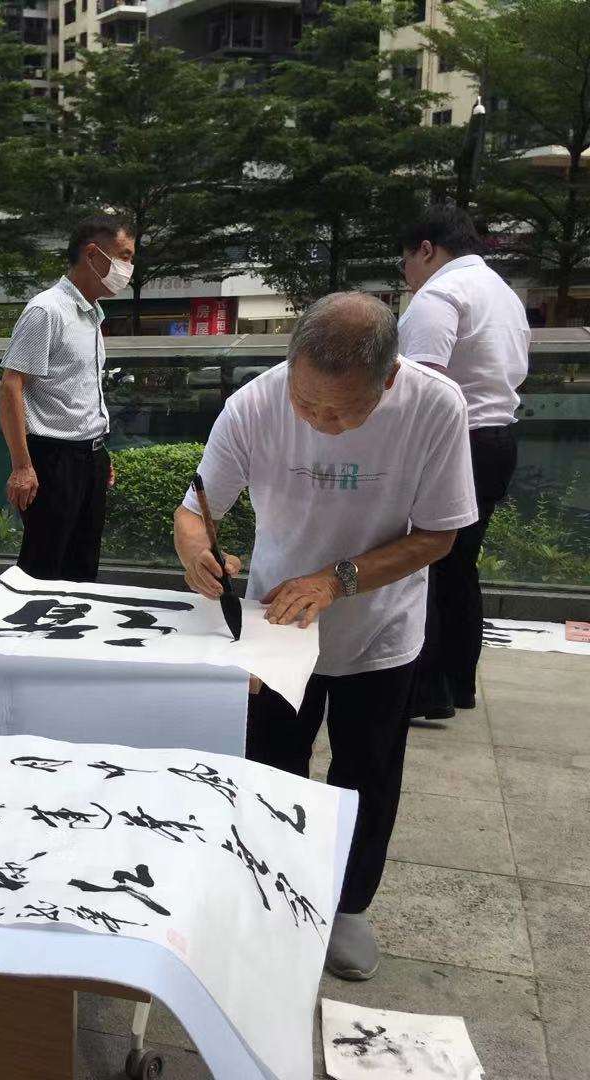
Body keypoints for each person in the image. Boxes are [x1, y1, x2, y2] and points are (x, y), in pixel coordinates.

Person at [174, 293, 476, 981]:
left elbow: (439, 535)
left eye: (342, 412)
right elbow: (195, 511)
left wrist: (337, 580)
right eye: (307, 403)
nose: (321, 423)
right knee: (270, 765)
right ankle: (268, 891)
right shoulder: (255, 404)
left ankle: (346, 905)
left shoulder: (435, 407)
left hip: (380, 626)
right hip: (277, 628)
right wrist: (196, 550)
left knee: (366, 772)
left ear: (389, 378)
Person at [398, 203, 529, 721]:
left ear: (427, 250)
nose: (407, 275)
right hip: (498, 440)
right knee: (458, 566)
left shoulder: (440, 295)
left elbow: (421, 387)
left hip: (454, 443)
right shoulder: (502, 292)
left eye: (406, 262)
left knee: (423, 561)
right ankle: (457, 683)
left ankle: (426, 691)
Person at [0, 213, 132, 581]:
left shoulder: (92, 314)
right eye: (124, 256)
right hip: (53, 459)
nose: (128, 268)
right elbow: (11, 385)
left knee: (83, 566)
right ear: (92, 254)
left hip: (88, 458)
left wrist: (97, 452)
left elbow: (82, 390)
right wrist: (22, 466)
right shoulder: (47, 310)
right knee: (43, 569)